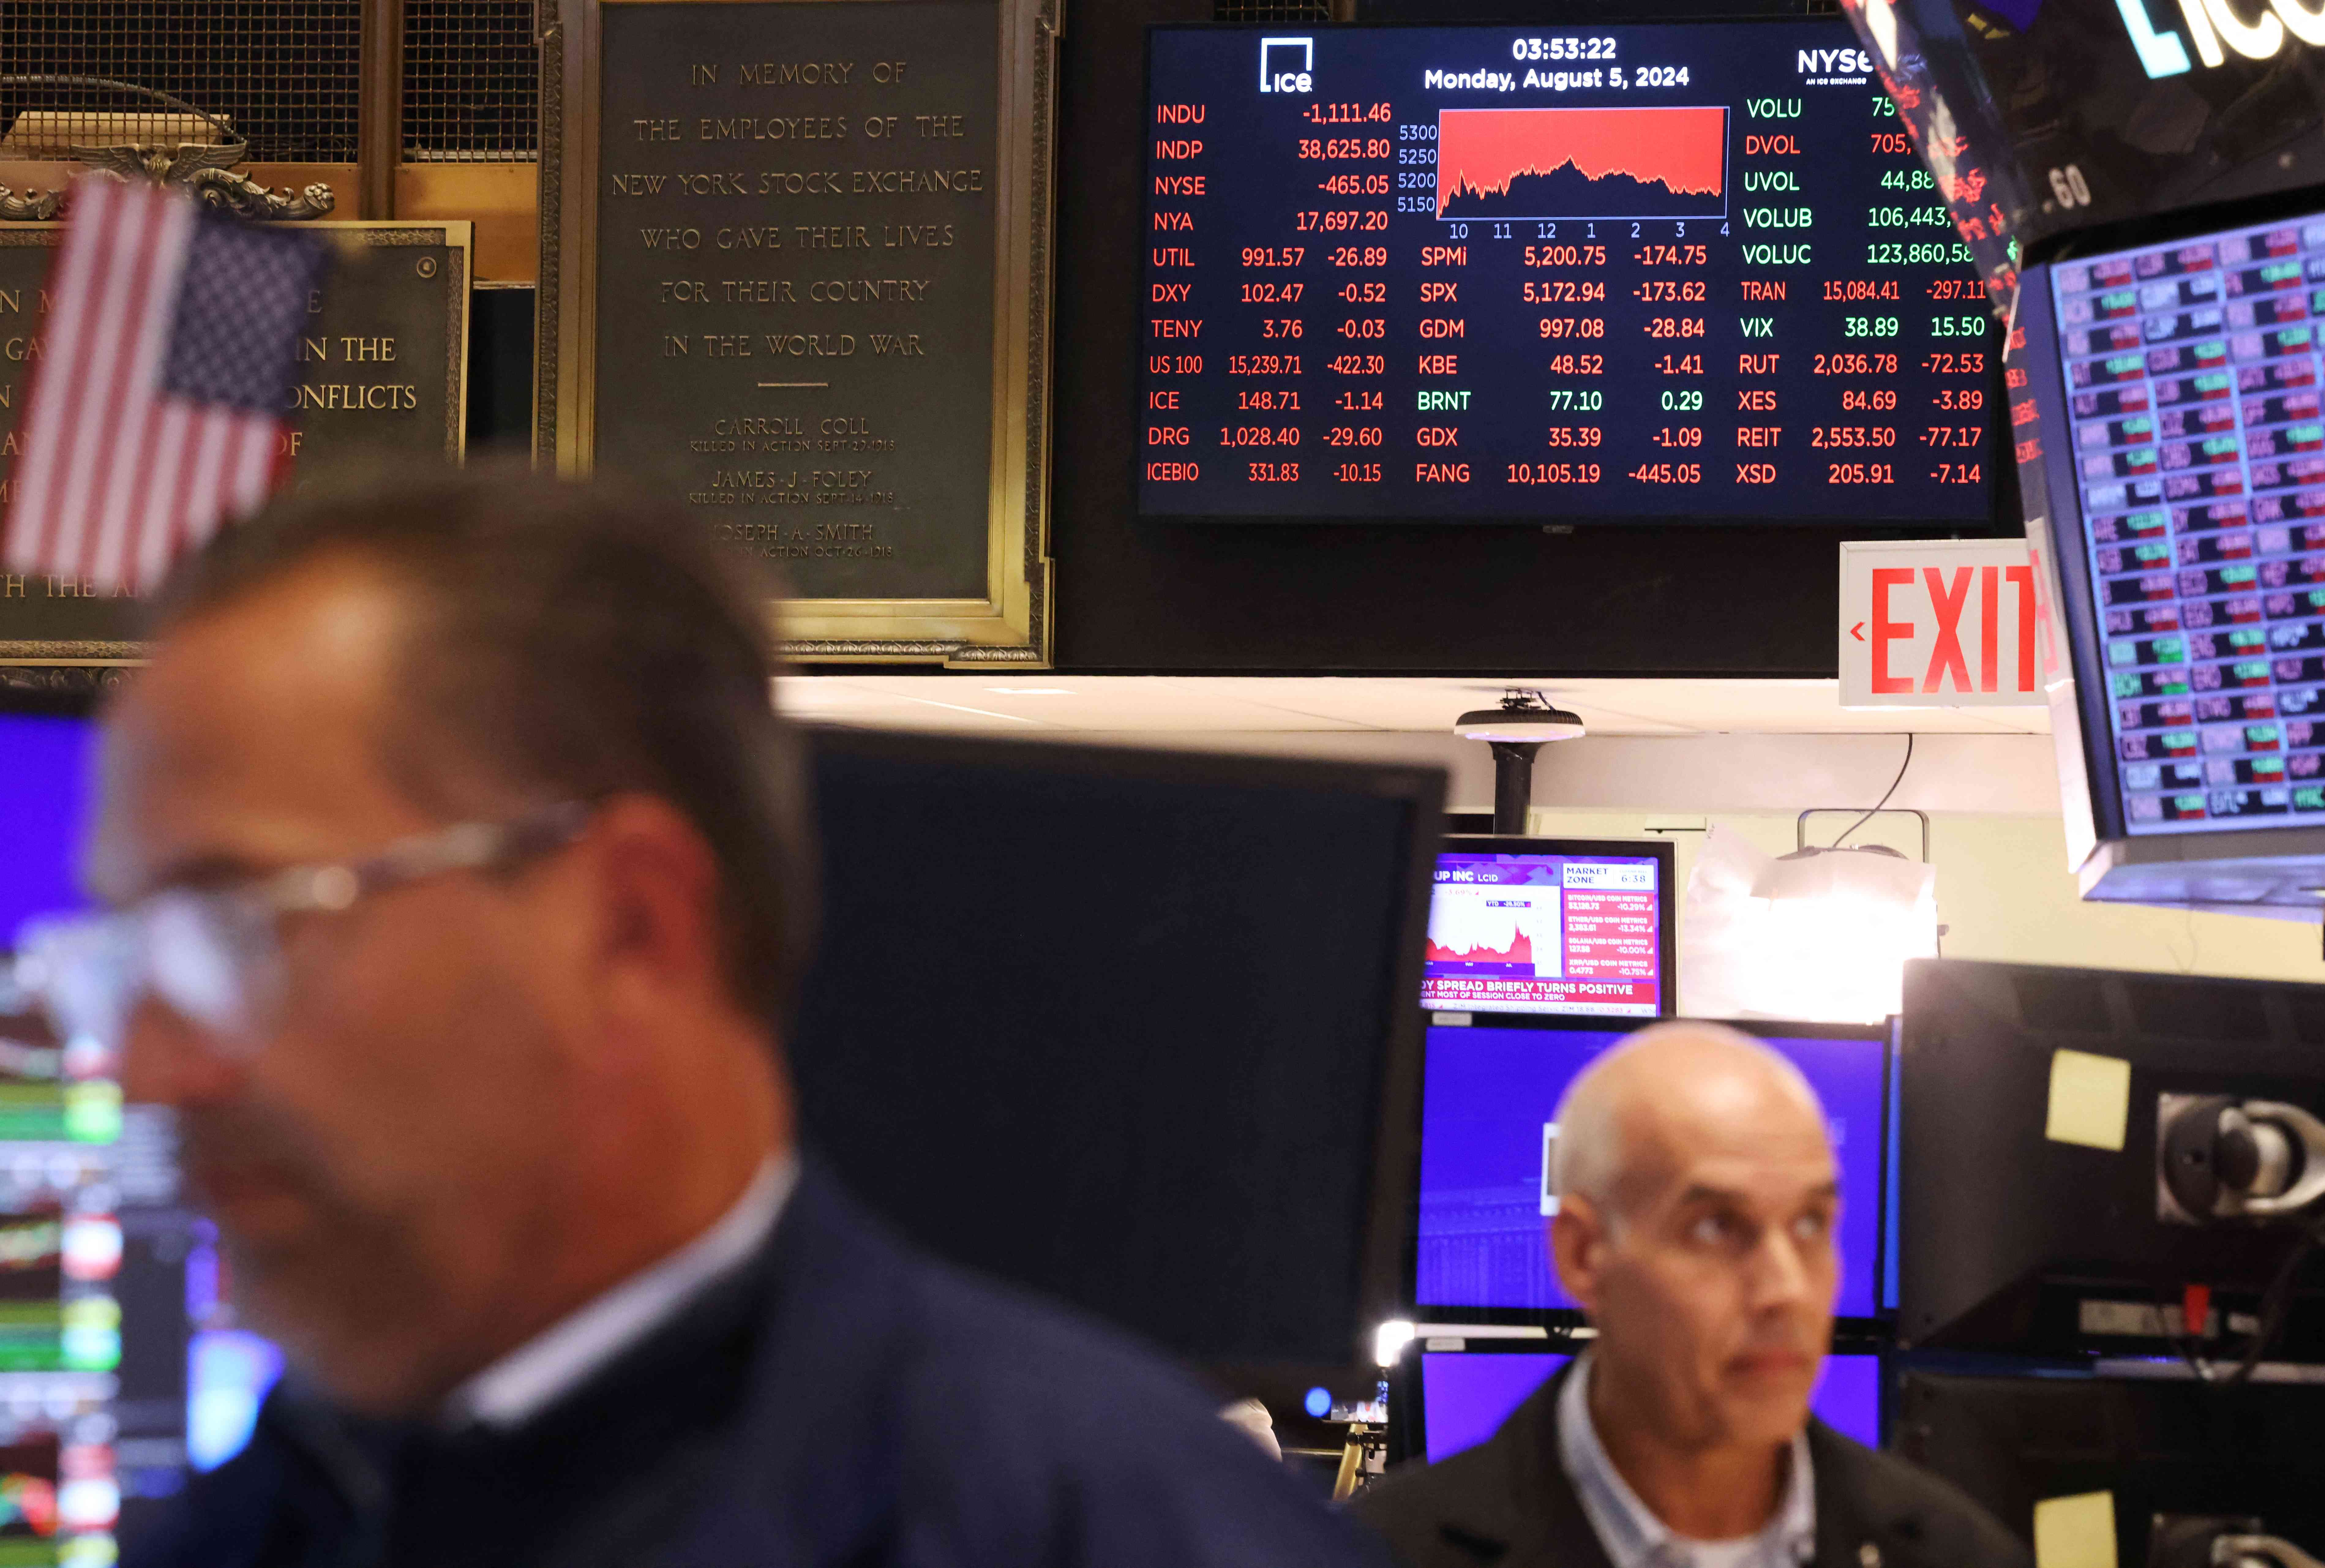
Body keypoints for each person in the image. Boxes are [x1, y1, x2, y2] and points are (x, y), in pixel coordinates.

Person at [24, 469, 1387, 1568]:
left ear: (633, 923)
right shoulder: (244, 1524)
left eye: (236, 927)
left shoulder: (1117, 1525)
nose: (147, 1069)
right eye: (128, 958)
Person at [1353, 1022, 2026, 1568]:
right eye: (1715, 1227)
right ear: (1583, 1254)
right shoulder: (1381, 1551)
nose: (1785, 1289)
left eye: (1810, 1224)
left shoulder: (1956, 1551)